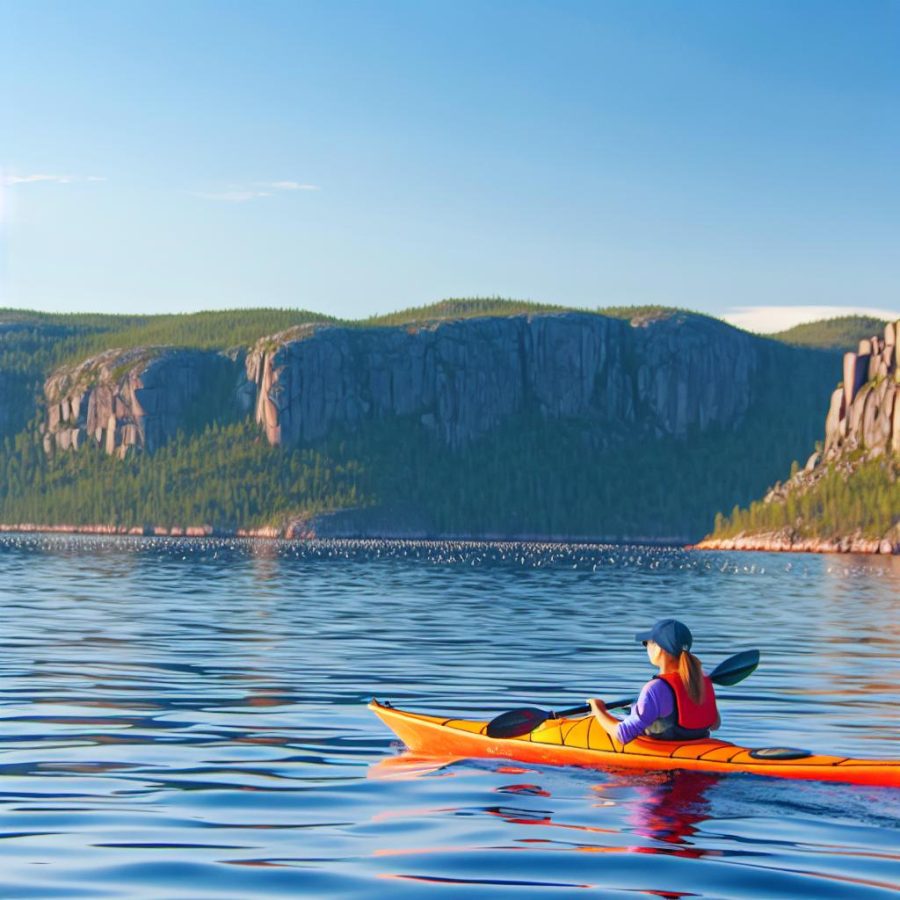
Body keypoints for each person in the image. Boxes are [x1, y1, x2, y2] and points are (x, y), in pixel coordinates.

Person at [588, 618, 720, 745]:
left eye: (647, 643)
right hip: (698, 746)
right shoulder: (702, 680)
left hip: (664, 759)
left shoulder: (655, 688)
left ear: (659, 648)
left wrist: (598, 710)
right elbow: (715, 724)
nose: (646, 647)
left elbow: (623, 734)